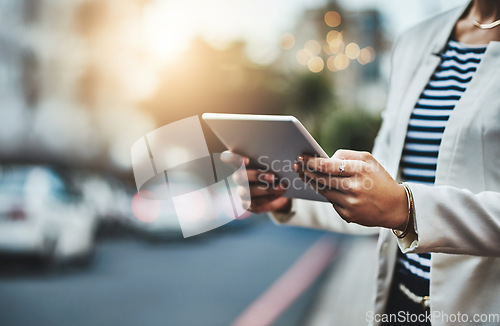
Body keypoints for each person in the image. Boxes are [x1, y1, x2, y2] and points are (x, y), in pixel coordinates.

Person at [221, 1, 500, 325]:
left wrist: (408, 210)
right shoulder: (415, 40)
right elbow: (376, 191)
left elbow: (394, 203)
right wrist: (286, 195)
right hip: (401, 304)